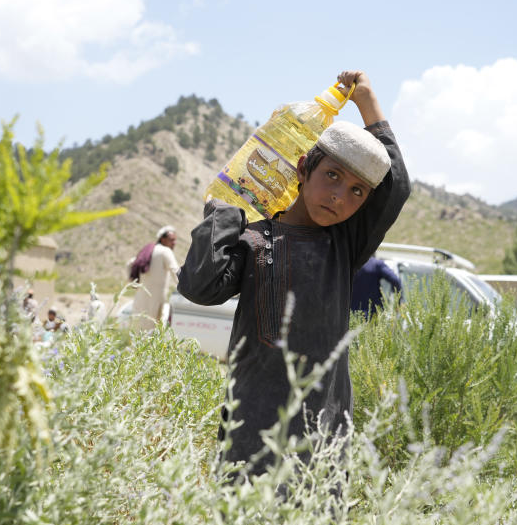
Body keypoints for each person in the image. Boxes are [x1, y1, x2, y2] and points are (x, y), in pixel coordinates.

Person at [178, 70, 410, 477]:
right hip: (251, 430)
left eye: (357, 191)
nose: (340, 196)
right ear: (302, 169)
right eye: (332, 176)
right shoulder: (252, 240)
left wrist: (368, 104)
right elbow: (200, 286)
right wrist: (228, 205)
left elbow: (396, 186)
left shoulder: (344, 245)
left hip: (324, 435)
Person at [129, 225, 180, 331]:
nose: (174, 243)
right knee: (153, 333)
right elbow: (176, 272)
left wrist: (132, 283)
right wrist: (187, 289)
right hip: (156, 301)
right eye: (171, 240)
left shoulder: (147, 251)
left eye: (175, 240)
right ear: (163, 239)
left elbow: (130, 263)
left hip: (140, 299)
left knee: (138, 332)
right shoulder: (165, 251)